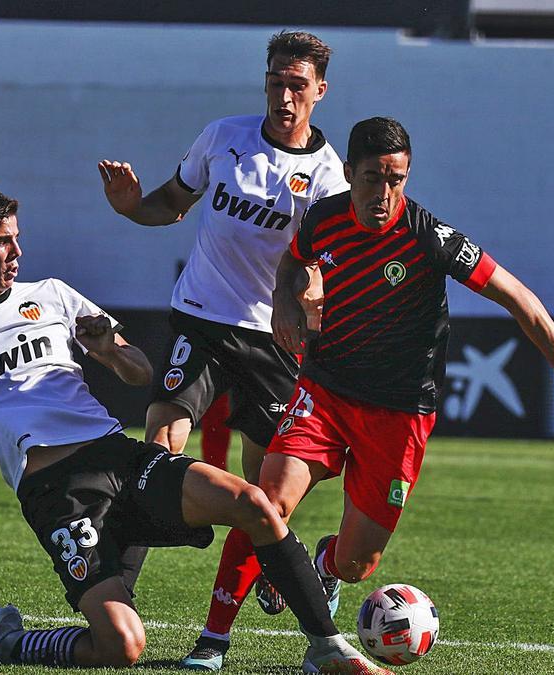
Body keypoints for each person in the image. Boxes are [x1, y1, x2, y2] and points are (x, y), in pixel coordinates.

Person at [0, 189, 391, 673]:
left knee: (256, 504)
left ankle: (327, 648)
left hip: (120, 458)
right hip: (57, 494)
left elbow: (141, 372)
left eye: (16, 237)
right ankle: (14, 643)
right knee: (122, 649)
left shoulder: (52, 296)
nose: (15, 251)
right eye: (0, 241)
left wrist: (108, 349)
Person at [181, 117, 554, 670]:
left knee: (360, 564)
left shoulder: (428, 236)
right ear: (348, 174)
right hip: (325, 392)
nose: (384, 194)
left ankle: (324, 567)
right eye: (372, 178)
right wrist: (286, 298)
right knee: (265, 502)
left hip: (400, 414)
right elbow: (294, 258)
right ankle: (213, 642)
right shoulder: (324, 218)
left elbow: (518, 297)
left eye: (396, 179)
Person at [97, 30, 347, 653]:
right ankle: (115, 596)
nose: (284, 96)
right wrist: (131, 207)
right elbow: (170, 203)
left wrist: (312, 290)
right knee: (157, 448)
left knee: (263, 495)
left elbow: (323, 263)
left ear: (319, 90)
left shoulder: (326, 176)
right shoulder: (222, 137)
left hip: (271, 341)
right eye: (274, 82)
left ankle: (281, 569)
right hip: (199, 319)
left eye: (297, 85)